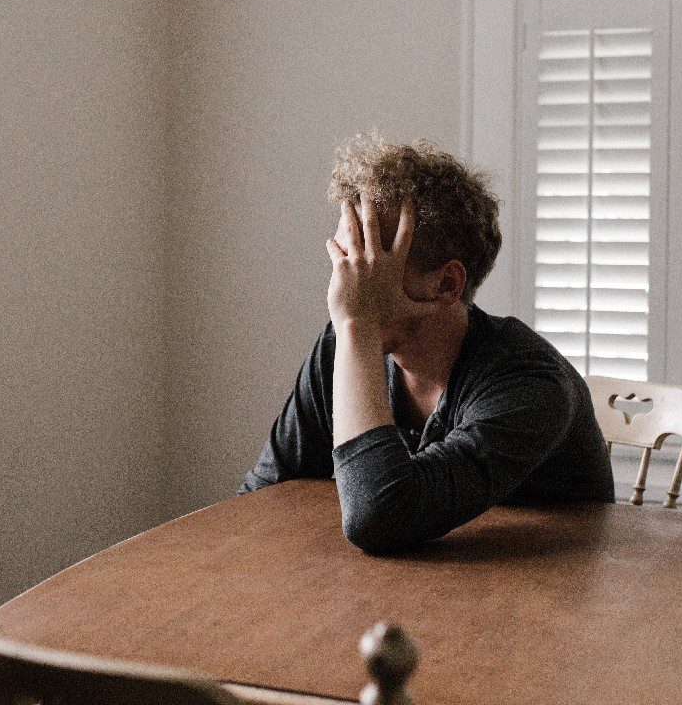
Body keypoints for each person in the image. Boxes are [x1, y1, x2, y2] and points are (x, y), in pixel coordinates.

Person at [240, 132, 615, 553]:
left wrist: (358, 323)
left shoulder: (531, 383)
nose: (343, 285)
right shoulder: (342, 346)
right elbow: (261, 498)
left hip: (552, 598)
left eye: (368, 261)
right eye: (343, 258)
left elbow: (379, 518)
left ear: (447, 283)